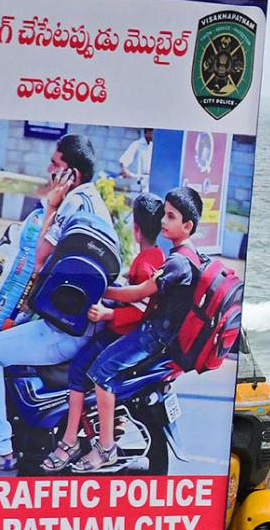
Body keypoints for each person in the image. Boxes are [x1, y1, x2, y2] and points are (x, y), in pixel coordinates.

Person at [0, 134, 116, 476]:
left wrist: (50, 205)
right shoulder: (96, 204)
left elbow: (40, 260)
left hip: (62, 329)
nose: (48, 169)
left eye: (55, 165)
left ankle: (0, 452)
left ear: (71, 175)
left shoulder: (72, 204)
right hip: (77, 320)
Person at [72, 186, 203, 471]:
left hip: (153, 336)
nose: (164, 222)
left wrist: (101, 288)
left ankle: (106, 448)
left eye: (170, 217)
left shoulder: (176, 263)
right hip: (162, 334)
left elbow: (138, 293)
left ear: (187, 225)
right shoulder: (191, 257)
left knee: (100, 371)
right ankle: (110, 423)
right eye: (163, 216)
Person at [41, 193, 166, 472]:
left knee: (78, 370)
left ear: (135, 228)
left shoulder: (146, 263)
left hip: (121, 334)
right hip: (126, 332)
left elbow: (143, 309)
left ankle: (71, 440)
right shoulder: (155, 256)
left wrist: (109, 313)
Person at [119, 128, 153, 192]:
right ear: (146, 131)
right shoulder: (137, 144)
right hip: (136, 184)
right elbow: (123, 161)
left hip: (148, 184)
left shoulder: (153, 146)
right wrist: (126, 171)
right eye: (152, 131)